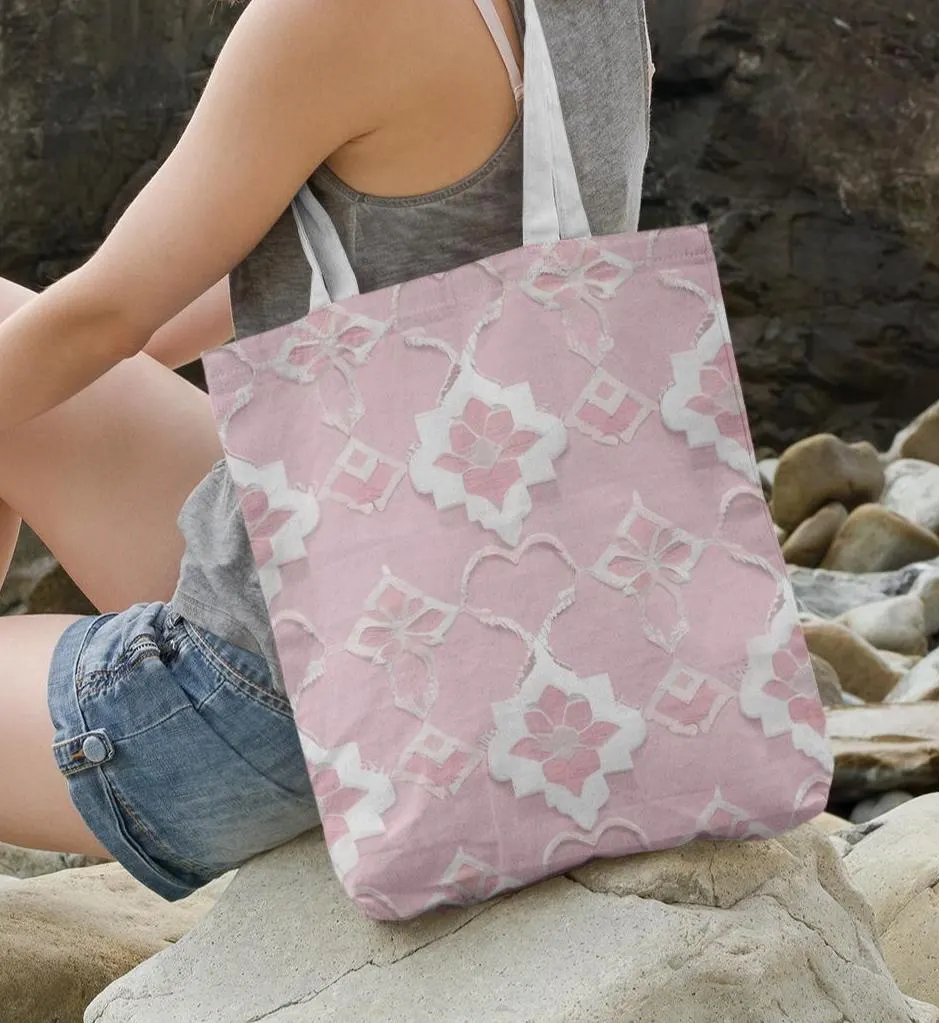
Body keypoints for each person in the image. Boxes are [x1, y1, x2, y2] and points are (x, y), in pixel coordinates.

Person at [0, 0, 652, 899]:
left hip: (309, 689)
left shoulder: (335, 11)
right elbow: (359, 243)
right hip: (522, 620)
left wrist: (93, 352)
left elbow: (104, 313)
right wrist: (80, 382)